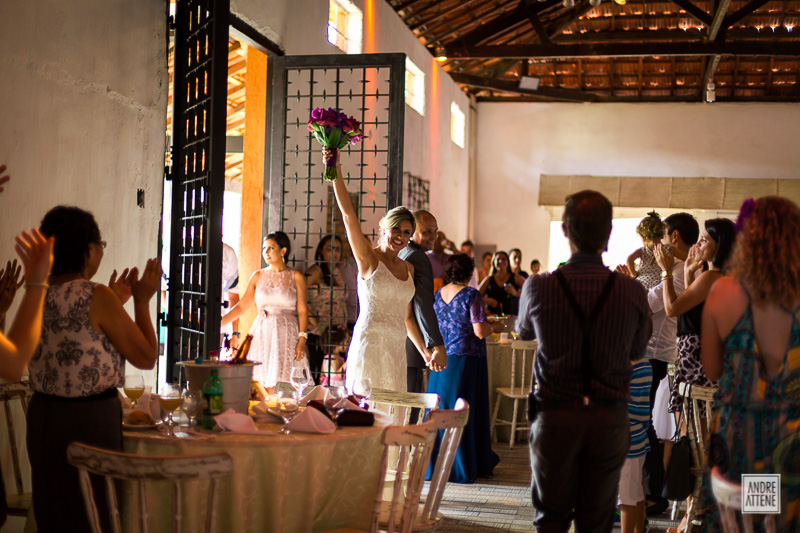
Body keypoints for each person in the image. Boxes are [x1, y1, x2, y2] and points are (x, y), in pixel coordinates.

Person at [516, 190, 650, 532]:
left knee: (551, 518)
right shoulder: (631, 291)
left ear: (565, 231)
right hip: (608, 417)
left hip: (555, 415)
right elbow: (636, 351)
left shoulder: (538, 287)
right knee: (598, 520)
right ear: (608, 234)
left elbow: (524, 332)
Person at [28, 206, 160, 533]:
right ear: (87, 251)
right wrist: (142, 301)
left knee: (54, 516)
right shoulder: (95, 295)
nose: (101, 250)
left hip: (43, 419)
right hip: (88, 423)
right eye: (100, 243)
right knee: (92, 517)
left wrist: (115, 301)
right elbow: (146, 356)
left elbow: (78, 336)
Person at [700, 197, 800, 532]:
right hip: (790, 442)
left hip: (738, 438)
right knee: (774, 520)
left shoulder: (722, 292)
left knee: (750, 522)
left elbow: (712, 371)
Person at [323, 148, 429, 393]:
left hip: (396, 350)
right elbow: (349, 216)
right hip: (369, 345)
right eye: (397, 230)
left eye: (407, 233)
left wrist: (424, 351)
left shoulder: (409, 268)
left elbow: (408, 318)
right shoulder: (368, 258)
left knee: (393, 411)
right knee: (367, 410)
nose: (401, 237)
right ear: (385, 228)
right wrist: (335, 167)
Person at [655, 217, 736, 533]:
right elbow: (695, 312)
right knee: (697, 447)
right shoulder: (717, 277)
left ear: (720, 245)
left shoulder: (714, 277)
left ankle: (695, 517)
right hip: (702, 371)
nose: (698, 244)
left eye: (705, 239)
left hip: (697, 375)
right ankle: (692, 515)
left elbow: (673, 309)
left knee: (697, 450)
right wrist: (688, 272)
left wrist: (665, 271)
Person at [427, 253, 499, 483]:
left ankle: (436, 464)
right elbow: (479, 331)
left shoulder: (438, 295)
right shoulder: (471, 295)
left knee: (441, 409)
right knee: (464, 411)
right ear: (469, 273)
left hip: (442, 359)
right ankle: (462, 465)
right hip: (466, 361)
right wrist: (495, 325)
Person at [222, 231, 309, 391]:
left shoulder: (295, 276)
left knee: (285, 383)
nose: (266, 252)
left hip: (286, 332)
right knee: (259, 382)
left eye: (271, 248)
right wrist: (219, 322)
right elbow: (241, 306)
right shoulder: (258, 276)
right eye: (264, 248)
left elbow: (303, 310)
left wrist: (302, 340)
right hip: (262, 332)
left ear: (283, 251)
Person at [398, 210, 447, 395]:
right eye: (427, 232)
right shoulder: (418, 257)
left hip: (401, 340)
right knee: (410, 408)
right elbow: (422, 304)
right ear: (412, 232)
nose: (434, 236)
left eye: (435, 231)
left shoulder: (403, 252)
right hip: (412, 345)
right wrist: (436, 345)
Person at [306, 234, 348, 384]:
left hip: (334, 335)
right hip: (319, 333)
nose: (334, 252)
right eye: (330, 248)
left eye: (337, 249)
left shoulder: (336, 272)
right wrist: (310, 317)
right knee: (318, 376)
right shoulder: (316, 270)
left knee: (332, 378)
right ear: (321, 251)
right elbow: (297, 292)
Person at [618, 358, 653, 533]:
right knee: (637, 495)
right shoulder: (645, 363)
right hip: (638, 437)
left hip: (626, 442)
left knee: (627, 500)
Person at [626, 211, 667, 291]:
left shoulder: (643, 251)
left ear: (643, 237)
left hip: (642, 281)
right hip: (659, 281)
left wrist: (633, 274)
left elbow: (630, 259)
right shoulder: (666, 249)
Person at [478, 251, 525, 316]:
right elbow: (476, 297)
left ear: (508, 262)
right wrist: (487, 300)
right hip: (493, 319)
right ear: (494, 262)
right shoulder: (488, 279)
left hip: (512, 318)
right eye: (498, 259)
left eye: (503, 259)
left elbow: (530, 291)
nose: (500, 261)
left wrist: (516, 293)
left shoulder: (516, 277)